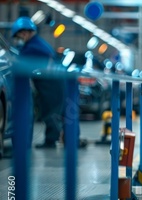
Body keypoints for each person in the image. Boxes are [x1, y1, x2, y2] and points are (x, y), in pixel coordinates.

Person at [11, 16, 87, 149]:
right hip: (55, 82)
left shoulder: (32, 47)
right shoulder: (38, 43)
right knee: (62, 112)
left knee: (51, 112)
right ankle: (71, 140)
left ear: (25, 32)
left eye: (20, 36)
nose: (20, 39)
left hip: (50, 84)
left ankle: (51, 141)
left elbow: (19, 61)